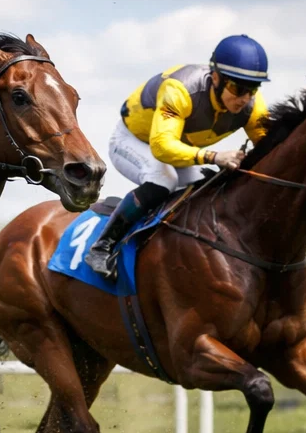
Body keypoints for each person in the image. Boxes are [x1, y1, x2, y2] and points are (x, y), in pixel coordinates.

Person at [83, 34, 273, 281]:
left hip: (180, 146)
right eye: (237, 88)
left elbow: (270, 148)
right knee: (164, 180)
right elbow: (162, 148)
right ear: (215, 78)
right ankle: (102, 246)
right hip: (134, 141)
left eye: (252, 90)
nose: (244, 98)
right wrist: (214, 156)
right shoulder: (181, 89)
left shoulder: (251, 105)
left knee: (208, 186)